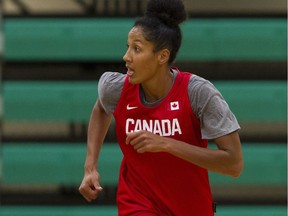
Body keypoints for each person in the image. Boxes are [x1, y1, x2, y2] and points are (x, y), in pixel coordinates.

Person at [79, 0, 243, 215]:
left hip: (189, 206)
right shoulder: (116, 89)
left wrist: (166, 144)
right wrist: (90, 166)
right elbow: (101, 108)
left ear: (162, 56)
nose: (126, 56)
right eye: (127, 47)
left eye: (137, 49)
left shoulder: (198, 93)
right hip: (137, 201)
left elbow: (233, 164)